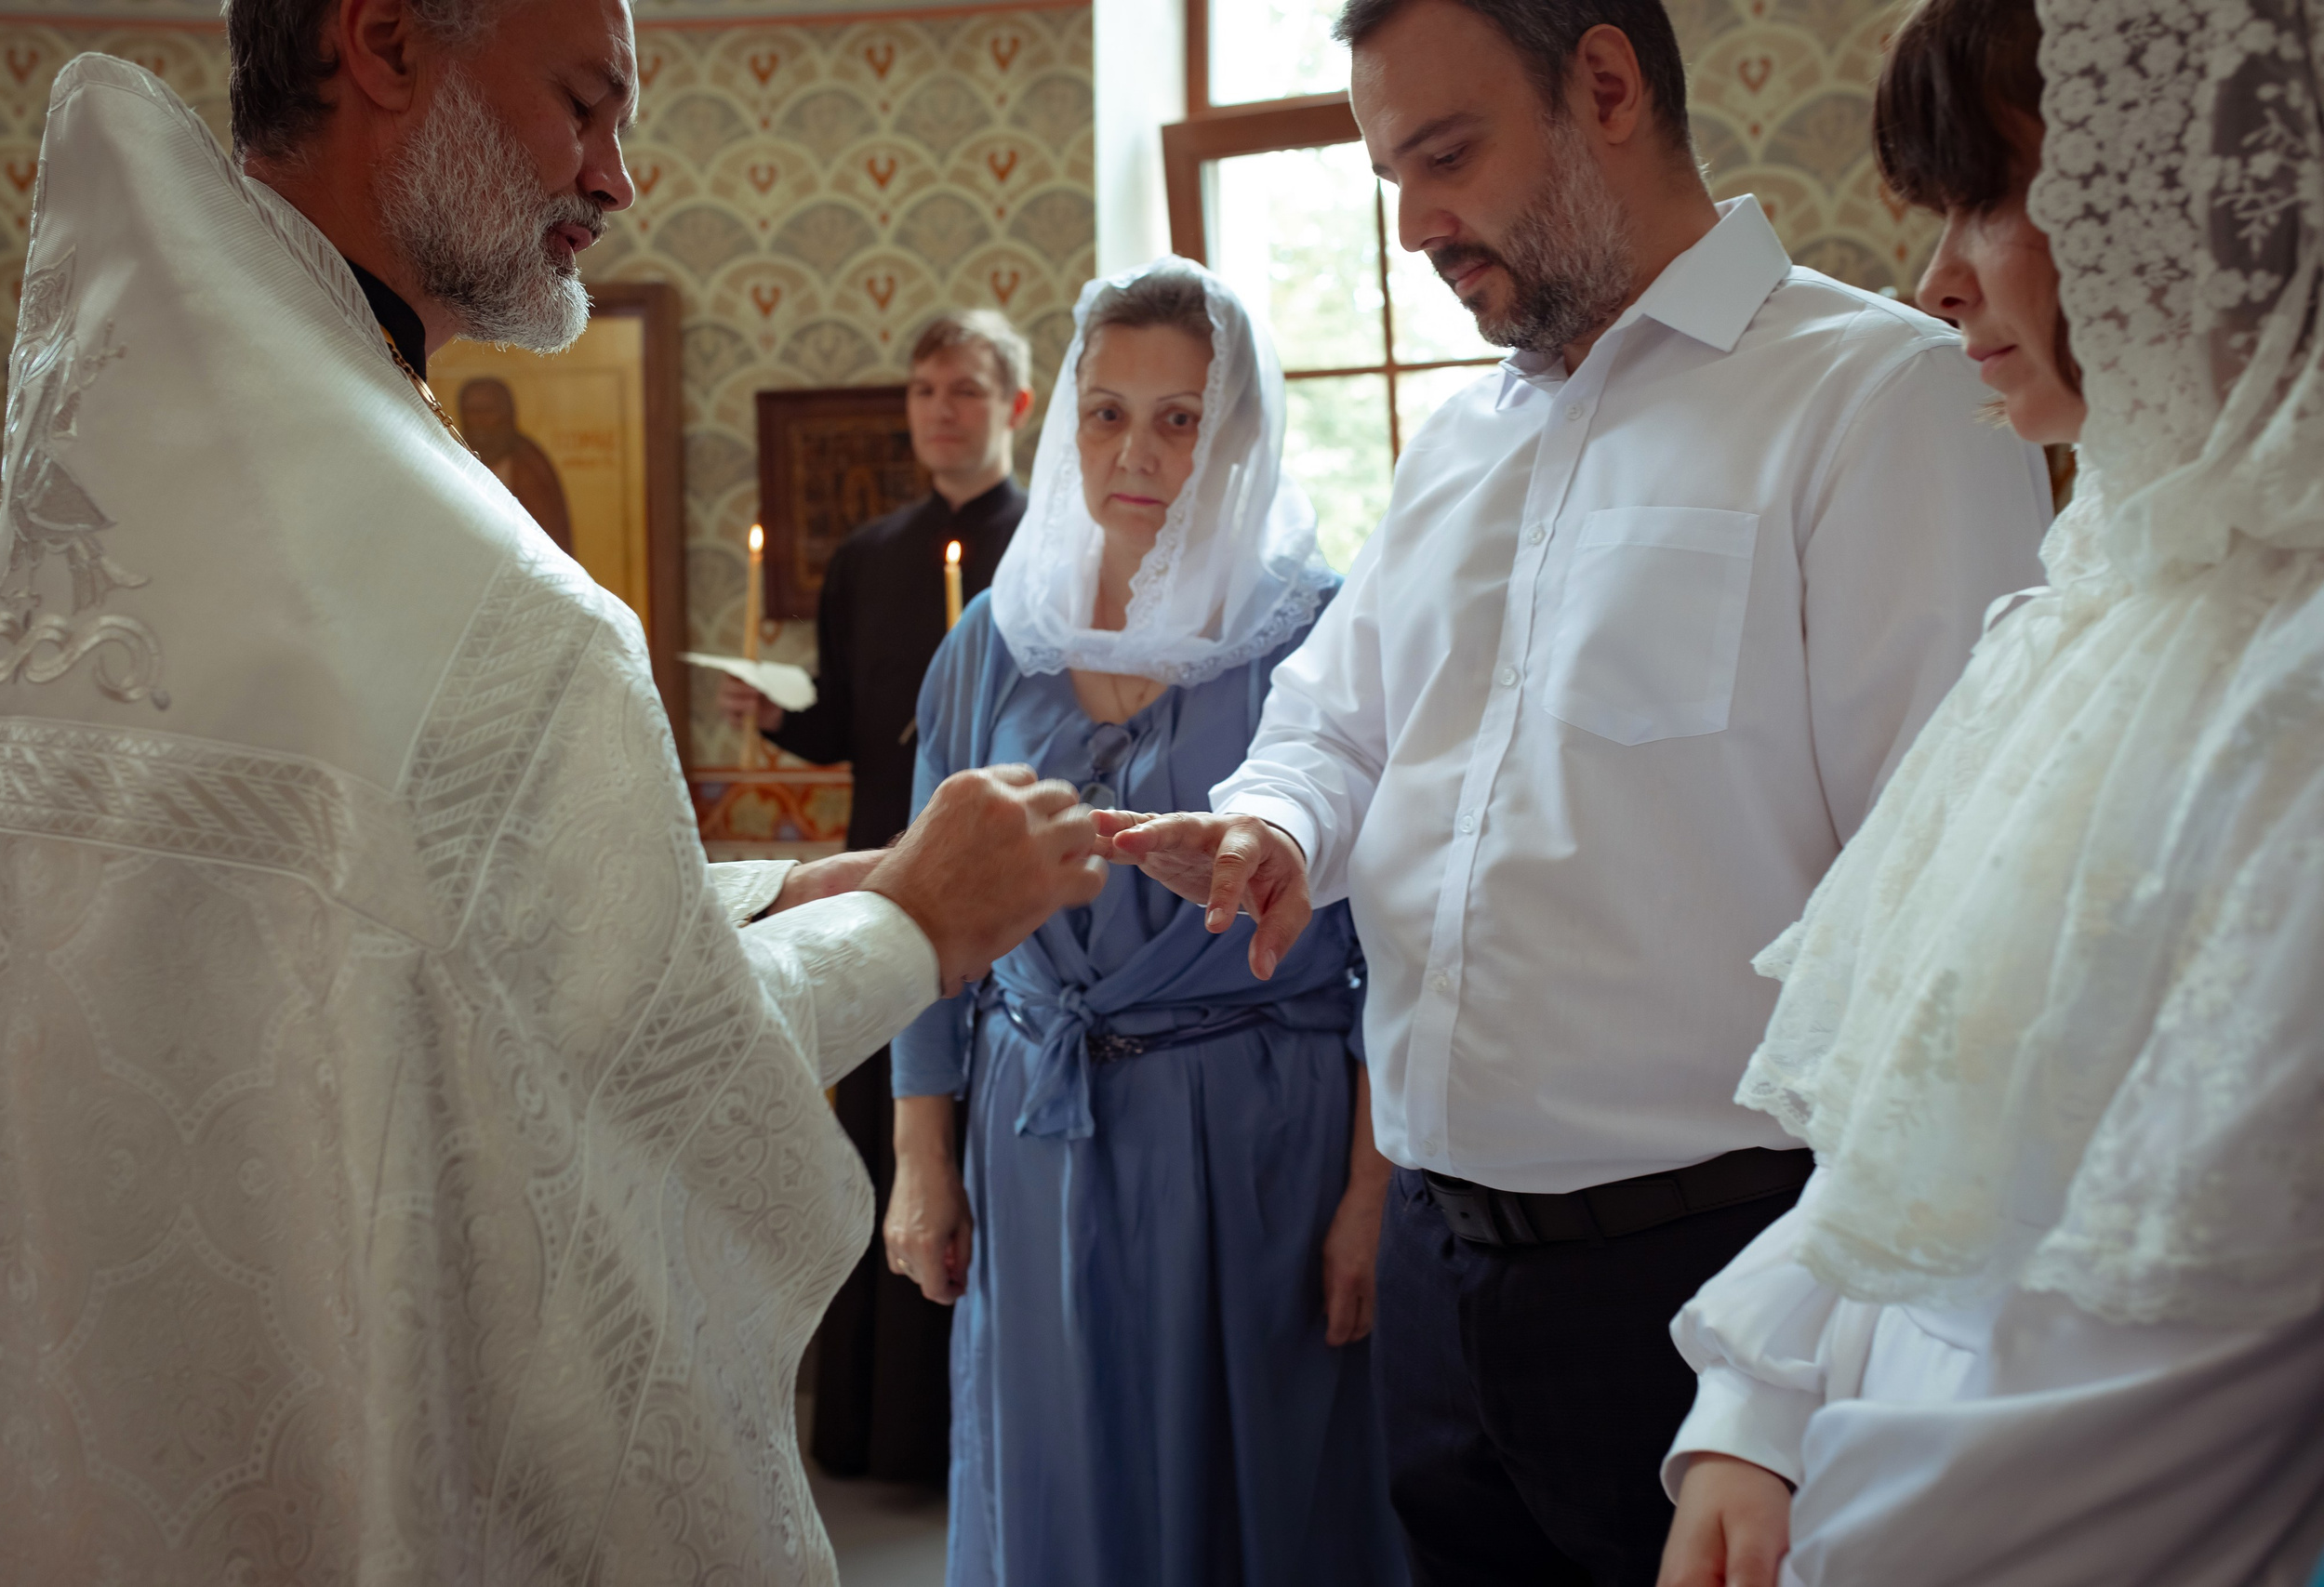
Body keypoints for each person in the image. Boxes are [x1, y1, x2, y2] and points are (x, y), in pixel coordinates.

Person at [0, 2, 1109, 1580]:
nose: (617, 176)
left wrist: (770, 890)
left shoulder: (174, 445)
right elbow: (633, 1092)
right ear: (384, 42)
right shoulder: (480, 587)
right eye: (584, 102)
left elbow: (400, 941)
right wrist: (920, 918)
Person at [1092, 0, 2052, 1580]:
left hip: (1720, 1278)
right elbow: (1337, 718)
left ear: (1605, 85)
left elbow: (1947, 917)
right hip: (1437, 1268)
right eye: (1389, 176)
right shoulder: (1459, 442)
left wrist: (1794, 1363)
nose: (1413, 228)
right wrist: (1275, 825)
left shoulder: (1879, 399)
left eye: (1447, 157)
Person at [1653, 0, 2324, 1581]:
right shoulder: (2094, 608)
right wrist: (1761, 1396)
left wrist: (1847, 1540)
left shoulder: (2290, 687)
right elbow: (1920, 1131)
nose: (1938, 278)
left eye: (1994, 198)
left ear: (2200, 194)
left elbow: (2175, 1355)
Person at [883, 258, 1409, 1586]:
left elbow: (1396, 942)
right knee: (1056, 1473)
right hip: (1035, 1126)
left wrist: (1369, 1190)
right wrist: (921, 1157)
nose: (1138, 449)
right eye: (1107, 410)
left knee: (1264, 1486)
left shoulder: (1320, 633)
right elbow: (924, 916)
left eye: (1181, 417)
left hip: (1255, 1134)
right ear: (1064, 421)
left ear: (1237, 432)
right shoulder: (995, 641)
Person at [719, 309, 1032, 1483]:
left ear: (1013, 407)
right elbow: (854, 728)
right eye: (923, 391)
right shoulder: (867, 557)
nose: (938, 411)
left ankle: (979, 1435)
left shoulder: (1048, 548)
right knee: (879, 1149)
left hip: (1005, 898)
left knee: (980, 1146)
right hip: (878, 881)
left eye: (963, 390)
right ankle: (880, 1432)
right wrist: (775, 720)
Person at [457, 374, 575, 553]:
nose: (479, 419)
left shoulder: (530, 464)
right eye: (472, 411)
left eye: (487, 410)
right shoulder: (453, 455)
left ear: (506, 414)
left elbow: (550, 536)